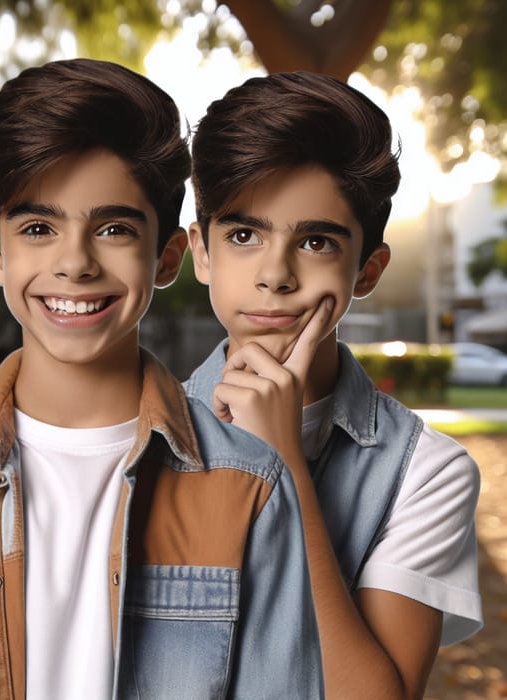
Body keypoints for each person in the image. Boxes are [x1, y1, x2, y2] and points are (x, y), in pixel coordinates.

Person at [0, 59, 323, 699]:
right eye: (38, 229)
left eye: (114, 228)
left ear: (167, 257)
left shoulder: (251, 489)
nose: (74, 263)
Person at [184, 71, 482, 699]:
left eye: (315, 241)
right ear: (201, 254)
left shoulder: (425, 471)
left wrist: (282, 464)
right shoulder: (132, 430)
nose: (275, 274)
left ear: (367, 270)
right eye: (243, 235)